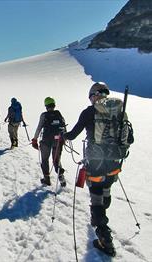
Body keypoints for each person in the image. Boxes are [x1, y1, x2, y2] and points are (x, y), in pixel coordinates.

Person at [62, 82, 120, 257]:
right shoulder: (118, 111)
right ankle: (103, 209)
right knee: (106, 191)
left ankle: (105, 239)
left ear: (94, 95)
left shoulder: (89, 112)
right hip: (114, 162)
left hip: (95, 163)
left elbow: (73, 134)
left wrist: (62, 136)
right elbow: (129, 138)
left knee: (96, 198)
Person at [31, 97, 66, 187]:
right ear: (54, 105)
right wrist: (63, 139)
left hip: (46, 140)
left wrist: (35, 139)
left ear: (46, 106)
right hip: (58, 140)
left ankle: (47, 179)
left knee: (45, 160)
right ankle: (61, 177)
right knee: (56, 160)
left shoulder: (44, 115)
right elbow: (63, 127)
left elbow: (39, 128)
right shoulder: (58, 114)